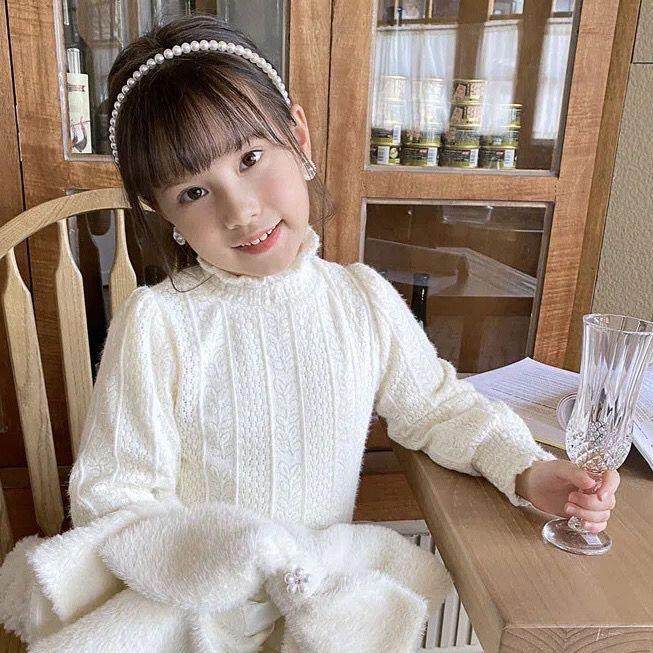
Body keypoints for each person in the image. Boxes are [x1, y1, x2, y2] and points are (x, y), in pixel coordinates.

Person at [19, 13, 624, 652]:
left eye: (251, 158)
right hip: (198, 621)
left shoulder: (360, 299)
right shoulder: (158, 324)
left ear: (299, 137)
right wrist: (234, 558)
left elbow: (438, 408)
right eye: (194, 192)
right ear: (159, 211)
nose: (240, 210)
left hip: (323, 614)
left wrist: (527, 470)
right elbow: (115, 499)